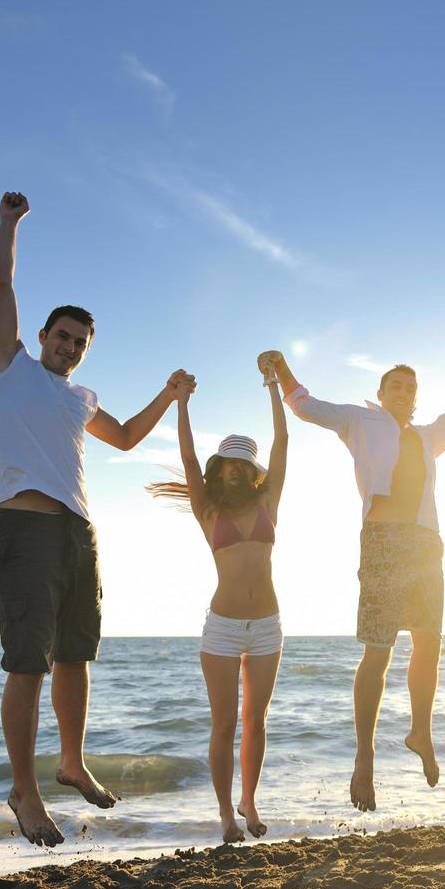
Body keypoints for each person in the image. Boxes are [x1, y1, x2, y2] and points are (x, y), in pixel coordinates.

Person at [0, 191, 186, 847]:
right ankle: (26, 790)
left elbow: (127, 436)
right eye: (62, 336)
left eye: (80, 343)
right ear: (43, 337)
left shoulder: (81, 397)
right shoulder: (10, 366)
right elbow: (1, 283)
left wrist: (170, 392)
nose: (70, 347)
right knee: (28, 665)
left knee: (76, 656)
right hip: (26, 530)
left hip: (78, 533)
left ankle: (71, 761)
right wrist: (9, 224)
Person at [259, 332, 445, 812]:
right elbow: (304, 405)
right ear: (381, 393)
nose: (405, 393)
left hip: (427, 545)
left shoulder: (429, 436)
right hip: (383, 543)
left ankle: (420, 732)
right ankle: (364, 756)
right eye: (396, 386)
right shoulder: (359, 420)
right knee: (379, 649)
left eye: (411, 387)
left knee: (429, 639)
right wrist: (281, 367)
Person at [147, 360, 288, 844]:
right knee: (225, 723)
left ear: (250, 471)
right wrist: (181, 403)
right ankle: (227, 815)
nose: (232, 470)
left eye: (240, 464)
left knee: (257, 720)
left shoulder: (268, 502)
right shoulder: (207, 510)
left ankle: (250, 799)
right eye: (225, 463)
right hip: (223, 627)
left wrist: (273, 386)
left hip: (268, 625)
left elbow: (283, 445)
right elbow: (187, 460)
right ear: (219, 468)